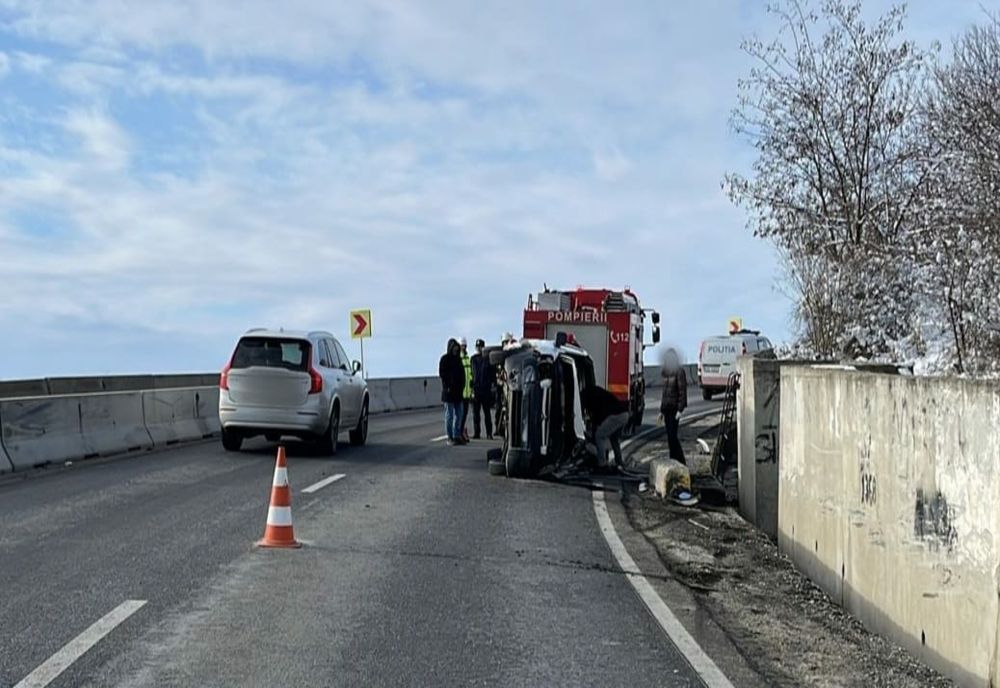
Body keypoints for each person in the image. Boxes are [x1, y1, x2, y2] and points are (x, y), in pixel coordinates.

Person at [580, 384, 630, 469]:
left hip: (616, 416)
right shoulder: (595, 392)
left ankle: (602, 463)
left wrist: (592, 436)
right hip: (624, 414)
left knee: (599, 436)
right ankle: (619, 462)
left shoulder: (589, 398)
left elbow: (597, 418)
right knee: (614, 438)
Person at [659, 348, 688, 463]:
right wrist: (661, 411)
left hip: (674, 409)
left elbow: (682, 391)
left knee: (673, 437)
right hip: (666, 409)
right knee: (670, 438)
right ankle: (673, 460)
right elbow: (664, 393)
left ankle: (680, 461)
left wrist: (680, 409)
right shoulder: (665, 373)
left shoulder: (679, 372)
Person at [438, 338, 466, 445]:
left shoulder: (458, 360)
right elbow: (442, 374)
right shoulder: (445, 359)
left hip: (458, 392)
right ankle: (450, 437)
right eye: (454, 348)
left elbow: (462, 375)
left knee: (459, 414)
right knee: (449, 415)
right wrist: (448, 386)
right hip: (448, 392)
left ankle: (457, 435)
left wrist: (462, 386)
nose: (455, 350)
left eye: (456, 348)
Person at [470, 339, 496, 439]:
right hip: (476, 389)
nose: (479, 348)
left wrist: (492, 385)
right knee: (476, 414)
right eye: (478, 347)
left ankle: (489, 433)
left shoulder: (488, 359)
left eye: (481, 346)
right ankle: (477, 433)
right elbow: (471, 374)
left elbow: (492, 374)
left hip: (486, 389)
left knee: (487, 413)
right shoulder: (473, 359)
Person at [459, 337, 474, 442]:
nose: (464, 347)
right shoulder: (459, 358)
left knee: (464, 414)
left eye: (465, 345)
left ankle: (461, 431)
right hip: (461, 392)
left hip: (468, 392)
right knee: (460, 414)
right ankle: (459, 432)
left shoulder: (468, 358)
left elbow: (470, 374)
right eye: (462, 346)